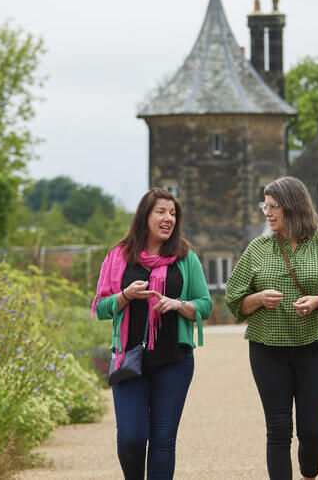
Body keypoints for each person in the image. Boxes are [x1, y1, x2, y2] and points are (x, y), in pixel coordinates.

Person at [224, 176, 318, 480]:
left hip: (315, 348)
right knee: (279, 429)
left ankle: (309, 475)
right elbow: (233, 301)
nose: (268, 213)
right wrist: (258, 298)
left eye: (274, 207)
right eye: (265, 206)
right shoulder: (258, 248)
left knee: (312, 431)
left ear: (294, 208)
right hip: (267, 349)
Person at [91, 187, 212, 479]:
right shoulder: (119, 256)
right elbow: (100, 308)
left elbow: (204, 306)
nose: (168, 218)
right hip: (129, 359)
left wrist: (178, 304)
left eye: (173, 213)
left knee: (162, 441)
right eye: (161, 212)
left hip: (174, 360)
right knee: (131, 439)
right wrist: (126, 295)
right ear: (145, 216)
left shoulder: (186, 257)